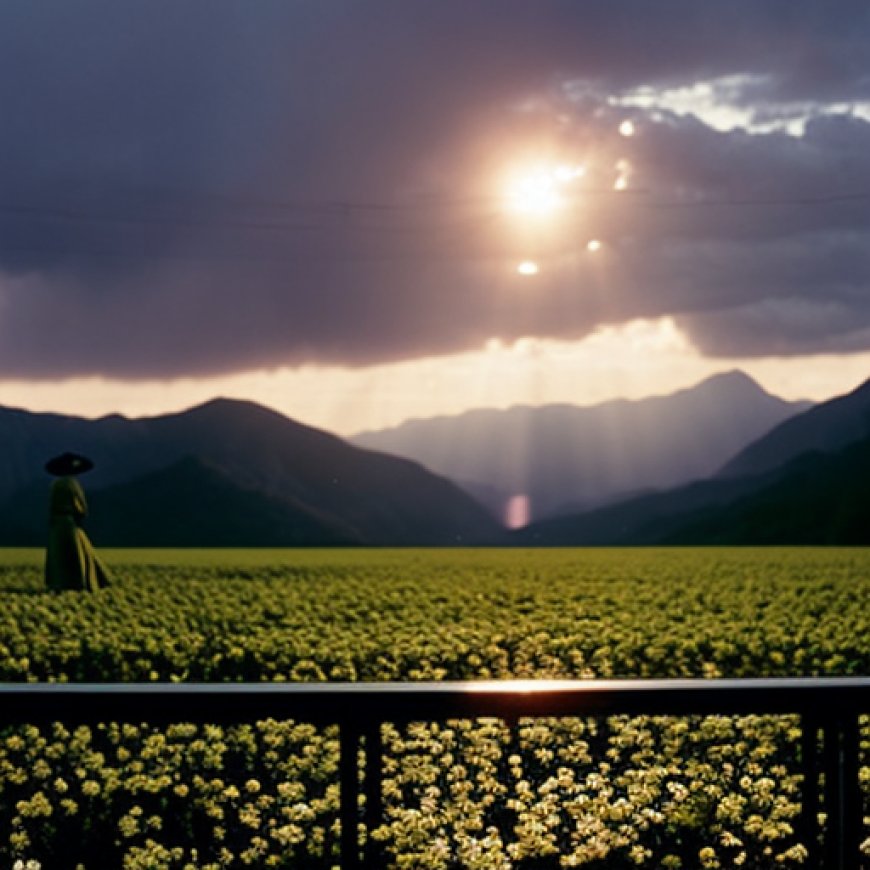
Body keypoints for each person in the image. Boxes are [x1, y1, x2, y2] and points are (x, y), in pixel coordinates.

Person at [44, 452, 111, 592]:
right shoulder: (72, 483)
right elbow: (80, 504)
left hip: (57, 523)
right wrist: (81, 515)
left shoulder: (55, 484)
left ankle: (60, 583)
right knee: (76, 553)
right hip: (69, 522)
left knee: (59, 553)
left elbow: (51, 506)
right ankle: (79, 582)